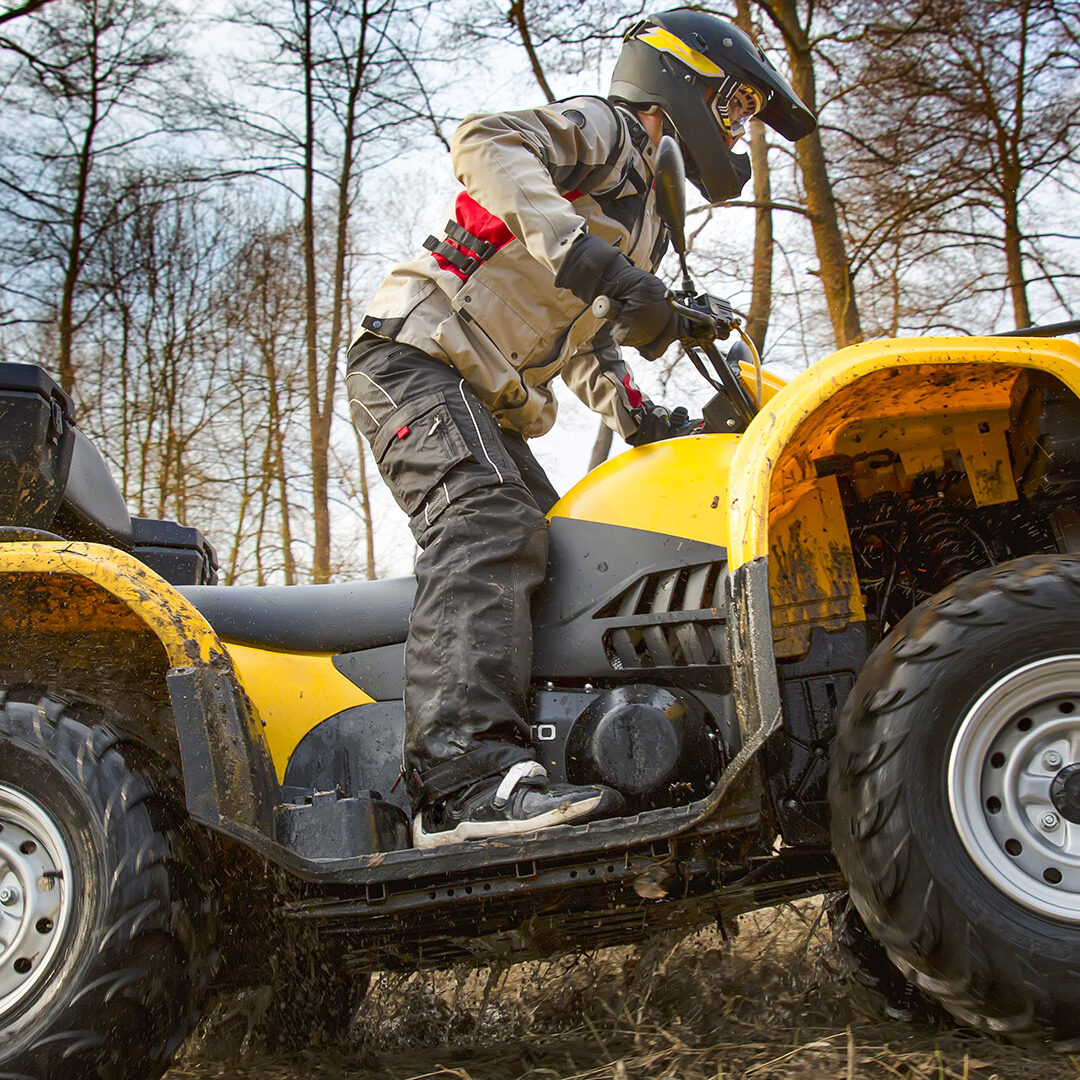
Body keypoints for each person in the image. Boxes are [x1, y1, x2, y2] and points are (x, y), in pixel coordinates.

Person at [346, 9, 816, 849]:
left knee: (565, 551)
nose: (738, 127)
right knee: (488, 519)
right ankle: (460, 782)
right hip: (413, 356)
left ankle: (541, 758)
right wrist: (586, 256)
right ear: (681, 82)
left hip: (471, 391)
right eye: (735, 105)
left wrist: (641, 415)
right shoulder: (608, 130)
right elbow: (484, 141)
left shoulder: (637, 217)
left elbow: (585, 339)